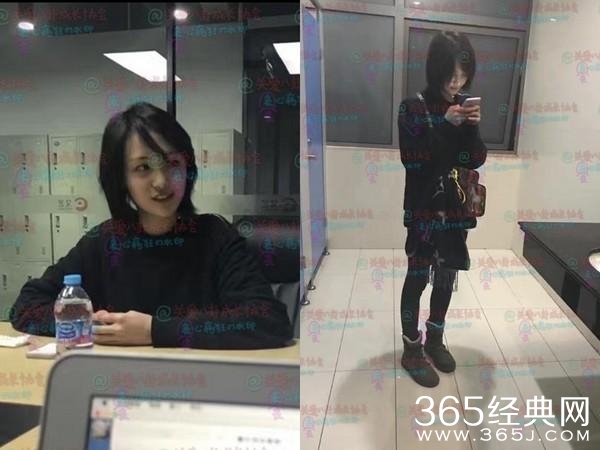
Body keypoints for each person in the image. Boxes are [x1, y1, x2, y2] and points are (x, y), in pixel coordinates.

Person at [10, 102, 293, 349]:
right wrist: (91, 326)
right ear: (122, 179)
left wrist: (154, 331)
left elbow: (268, 321)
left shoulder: (216, 238)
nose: (162, 181)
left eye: (172, 163)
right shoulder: (105, 241)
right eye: (143, 168)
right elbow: (27, 306)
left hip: (198, 382)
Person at [397, 31, 487, 387]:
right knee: (417, 278)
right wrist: (444, 125)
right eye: (450, 73)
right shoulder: (413, 107)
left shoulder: (463, 105)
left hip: (455, 212)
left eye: (463, 73)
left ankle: (435, 339)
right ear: (435, 69)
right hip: (423, 212)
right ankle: (411, 349)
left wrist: (471, 129)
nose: (456, 81)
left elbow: (473, 160)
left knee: (446, 278)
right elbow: (415, 161)